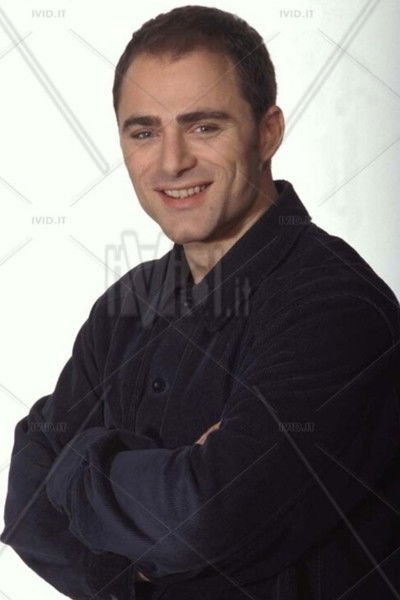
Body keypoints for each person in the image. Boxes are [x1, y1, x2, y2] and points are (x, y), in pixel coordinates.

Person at [1, 5, 400, 600]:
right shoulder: (125, 305)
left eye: (204, 126)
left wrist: (79, 463)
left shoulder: (336, 308)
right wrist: (139, 546)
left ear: (268, 132)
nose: (171, 162)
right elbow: (26, 508)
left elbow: (204, 520)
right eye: (144, 132)